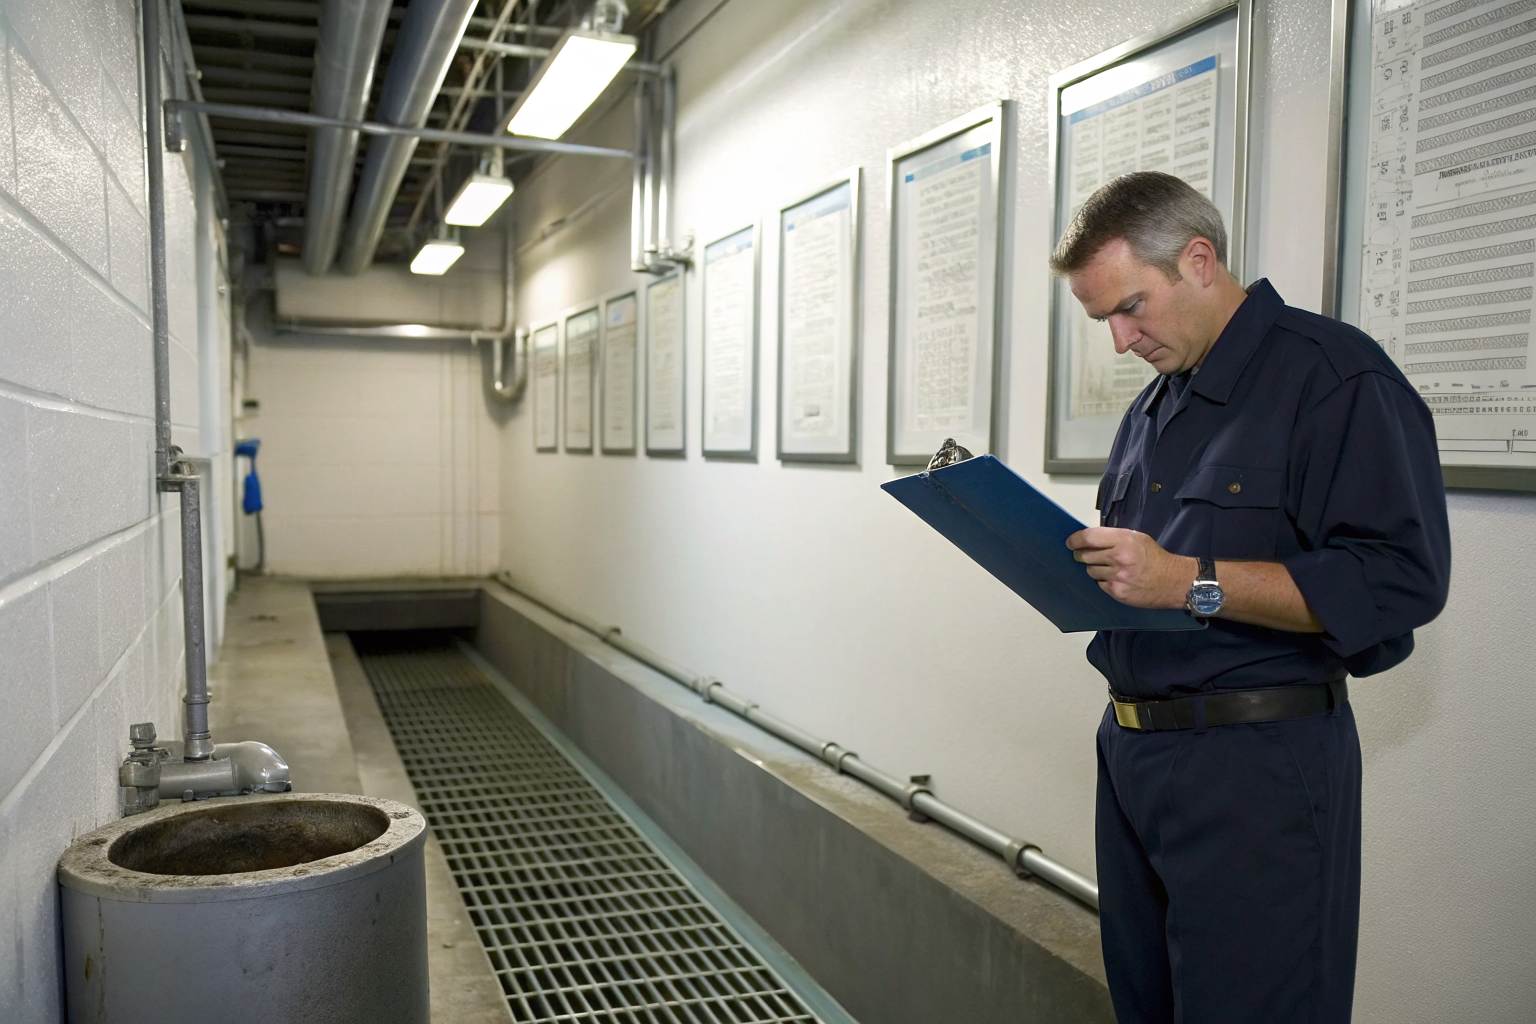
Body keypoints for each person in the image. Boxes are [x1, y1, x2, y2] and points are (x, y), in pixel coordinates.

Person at [1050, 171, 1451, 1024]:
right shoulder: (1153, 410)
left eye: (1130, 307)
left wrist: (1184, 580)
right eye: (1103, 321)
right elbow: (1143, 576)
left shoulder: (1334, 377)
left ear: (1200, 259)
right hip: (1131, 757)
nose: (1120, 341)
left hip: (1255, 769)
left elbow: (1398, 579)